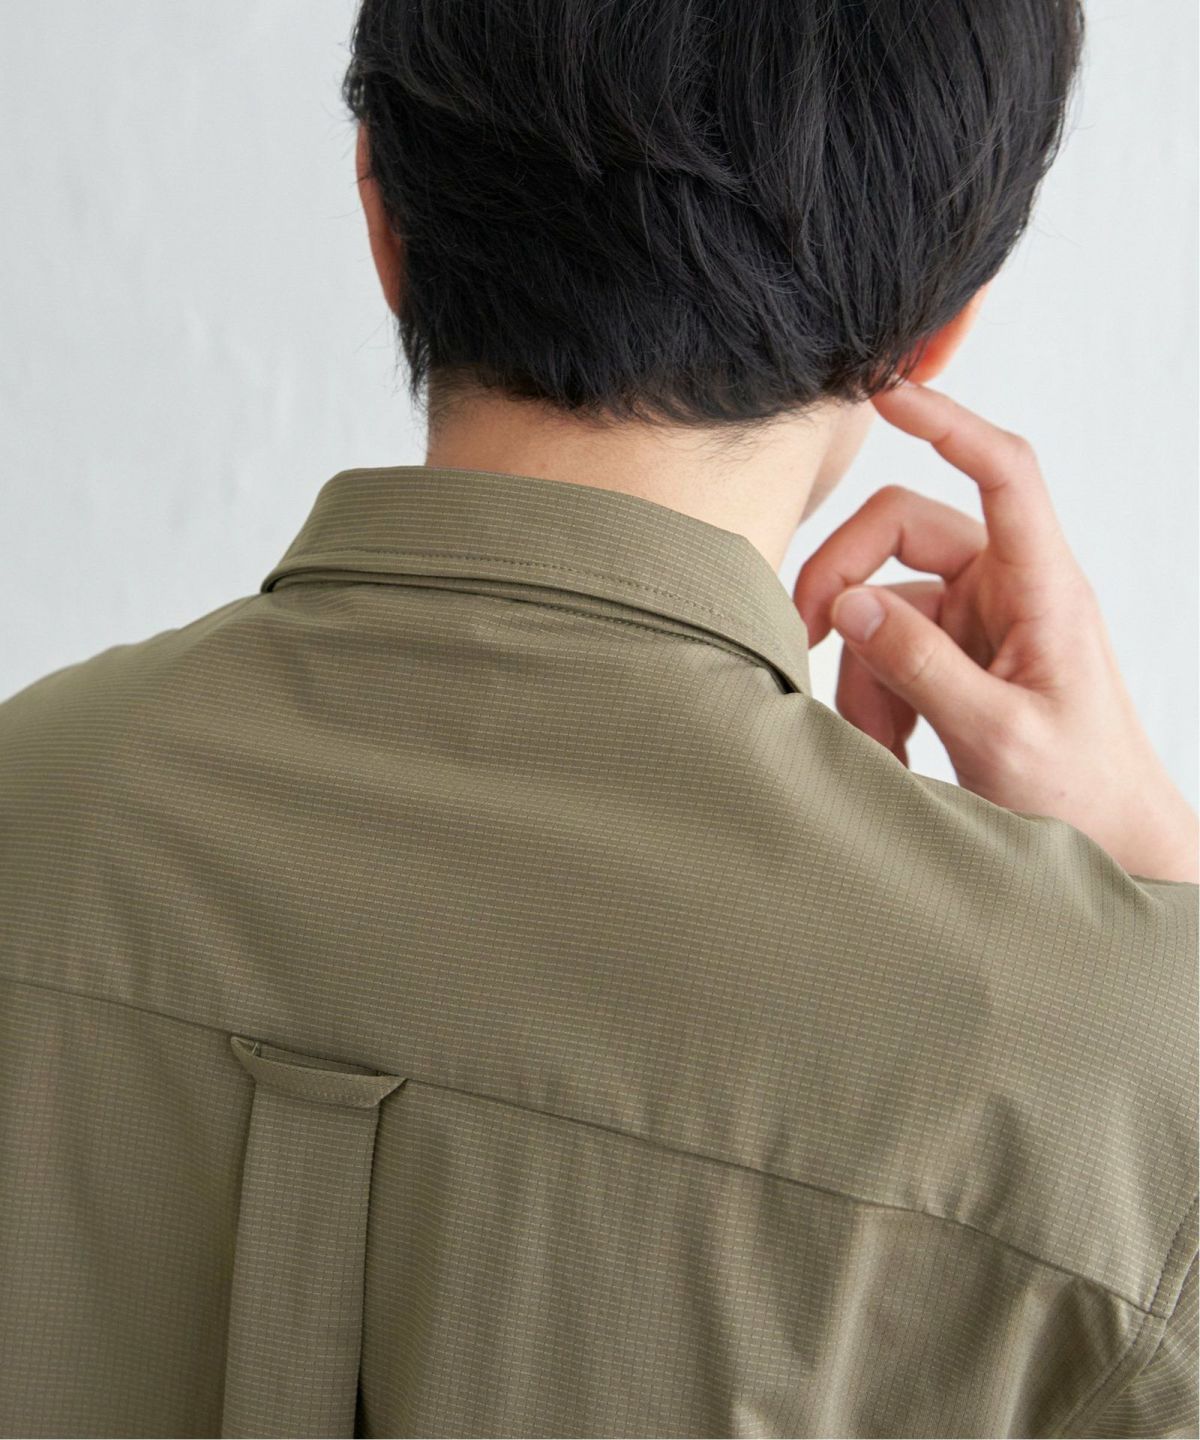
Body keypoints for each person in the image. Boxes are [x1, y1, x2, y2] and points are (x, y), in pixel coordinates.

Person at [0, 0, 1195, 1435]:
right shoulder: (1121, 1096)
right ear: (934, 330)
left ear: (382, 213)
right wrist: (1157, 899)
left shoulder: (27, 803)